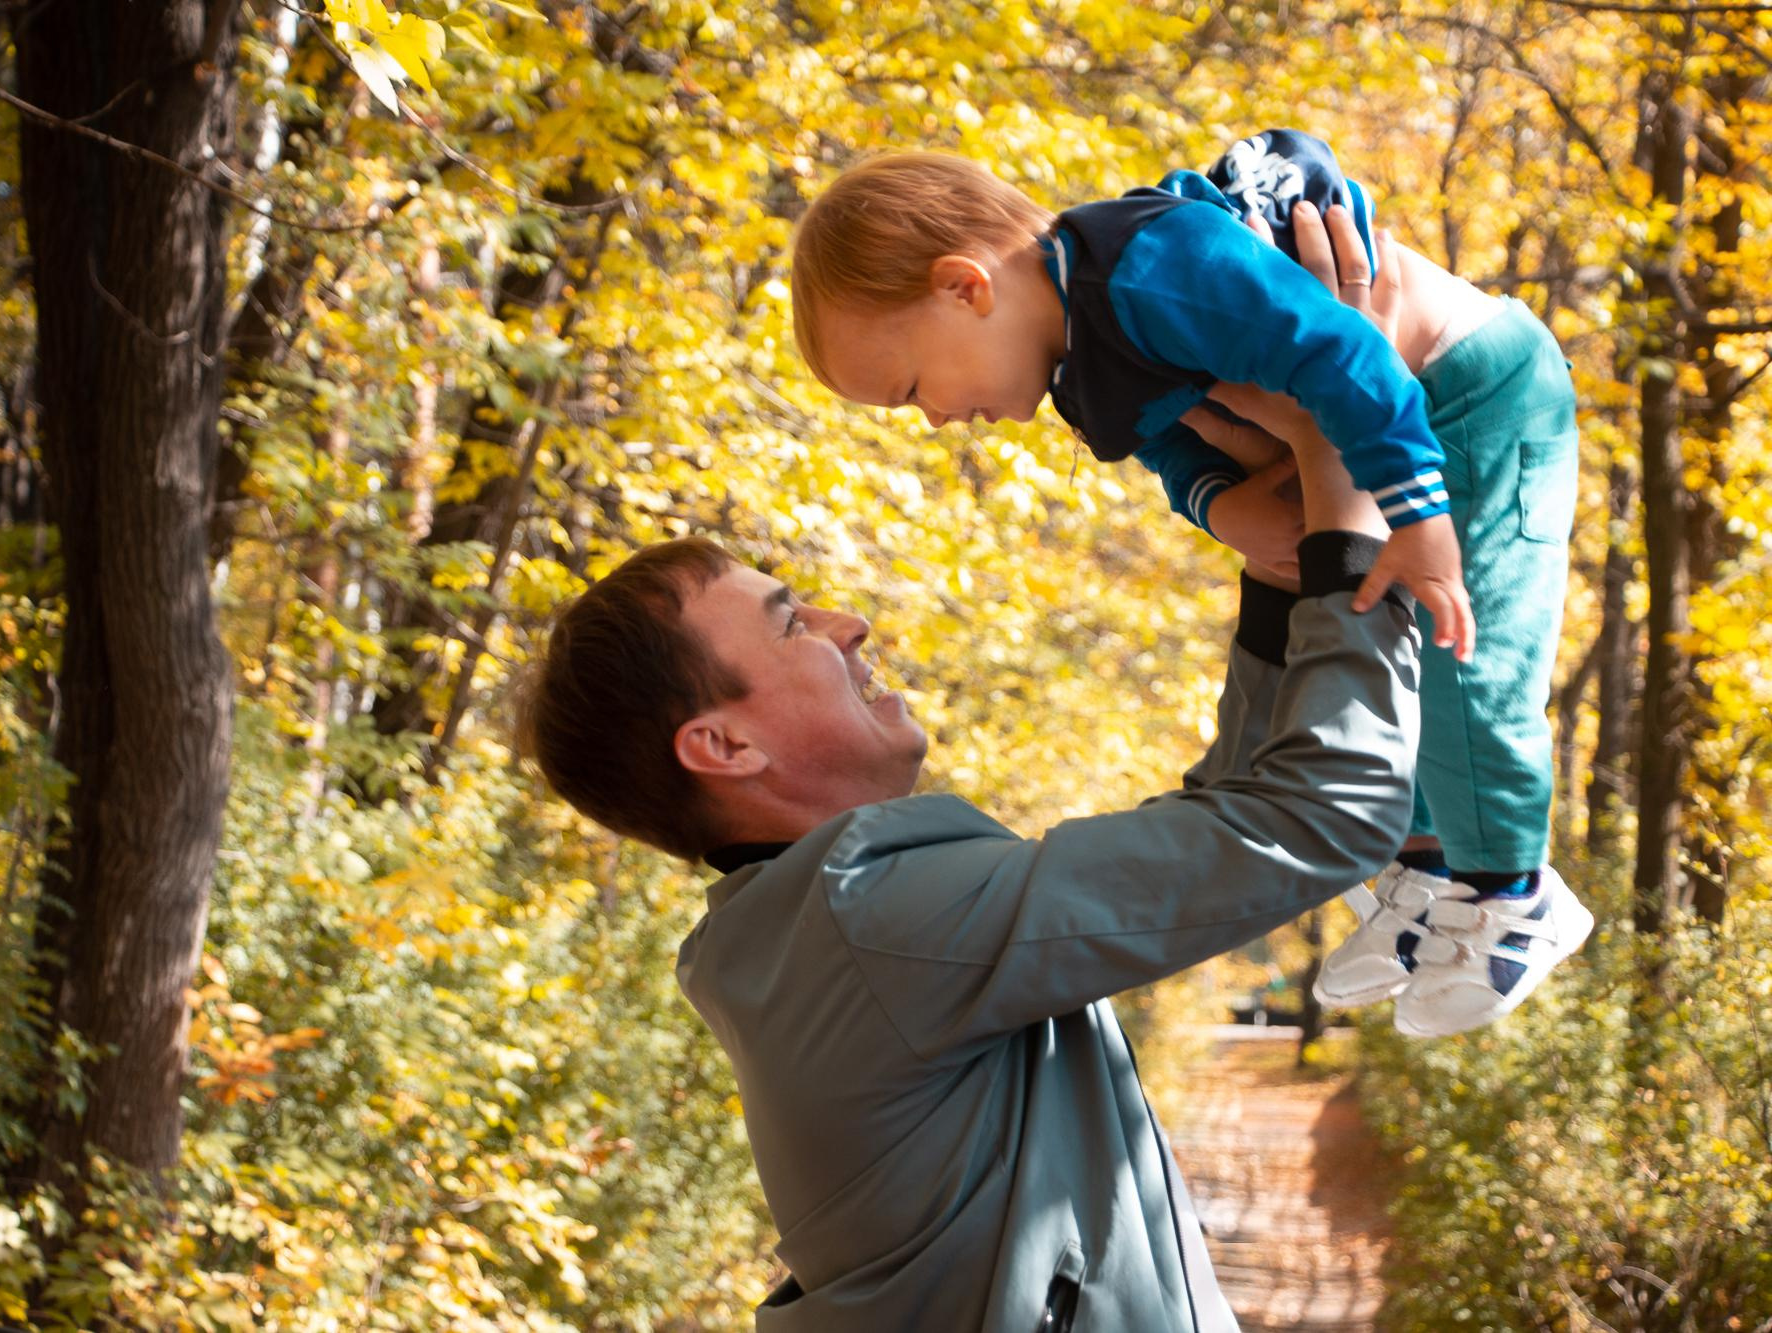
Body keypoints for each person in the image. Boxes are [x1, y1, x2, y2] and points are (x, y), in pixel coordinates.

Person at [515, 228, 1419, 1330]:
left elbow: (1232, 827)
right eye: (789, 622)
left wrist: (1276, 564)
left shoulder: (833, 933)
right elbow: (1324, 816)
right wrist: (1346, 485)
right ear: (723, 747)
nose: (844, 622)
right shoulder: (866, 924)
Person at [786, 130, 1592, 1038]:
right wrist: (1222, 507)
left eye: (911, 389)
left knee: (1463, 654)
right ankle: (1429, 869)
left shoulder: (1152, 265)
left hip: (1469, 389)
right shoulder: (1081, 374)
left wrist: (1421, 517)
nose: (934, 419)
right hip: (1385, 420)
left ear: (965, 286)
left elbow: (1342, 351)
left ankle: (1514, 894)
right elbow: (1168, 439)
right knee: (1383, 644)